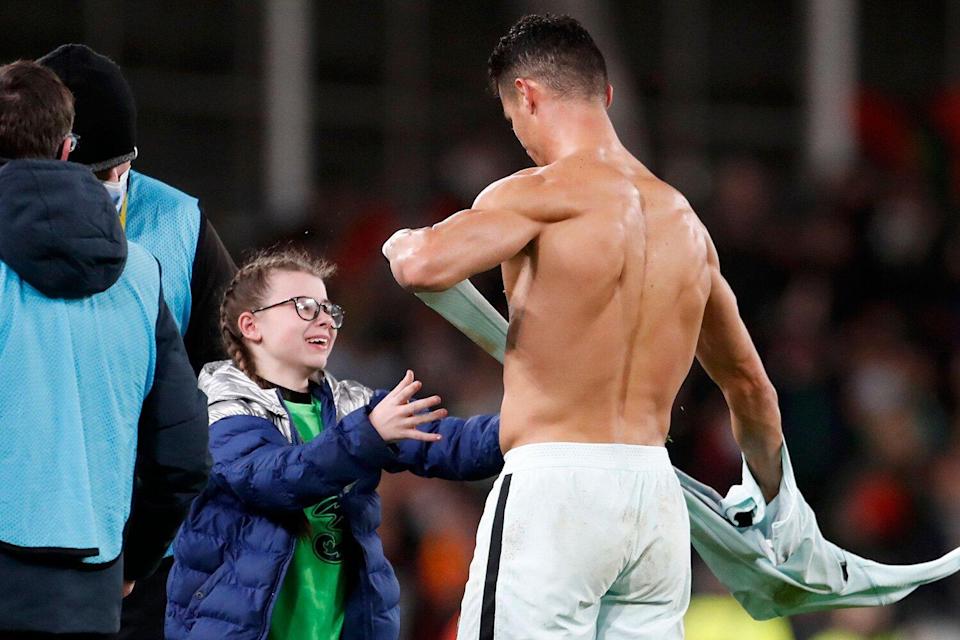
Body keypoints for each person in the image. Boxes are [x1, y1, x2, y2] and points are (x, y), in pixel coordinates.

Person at [383, 14, 784, 639]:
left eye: (512, 117)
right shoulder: (687, 227)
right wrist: (773, 505)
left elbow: (421, 268)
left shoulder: (538, 193)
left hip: (557, 487)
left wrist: (403, 241)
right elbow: (753, 392)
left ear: (527, 95)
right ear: (608, 96)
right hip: (654, 500)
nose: (518, 134)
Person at [165, 247, 503, 640]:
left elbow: (451, 445)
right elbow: (274, 480)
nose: (325, 319)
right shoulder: (221, 405)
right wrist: (368, 435)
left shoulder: (350, 405)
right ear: (251, 325)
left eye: (329, 310)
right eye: (304, 307)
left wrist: (533, 425)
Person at [0, 60, 210, 638]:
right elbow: (186, 455)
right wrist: (130, 562)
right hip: (92, 584)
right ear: (66, 148)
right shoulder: (143, 273)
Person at [39, 44, 237, 373]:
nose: (116, 179)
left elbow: (235, 372)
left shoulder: (180, 223)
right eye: (98, 173)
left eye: (124, 164)